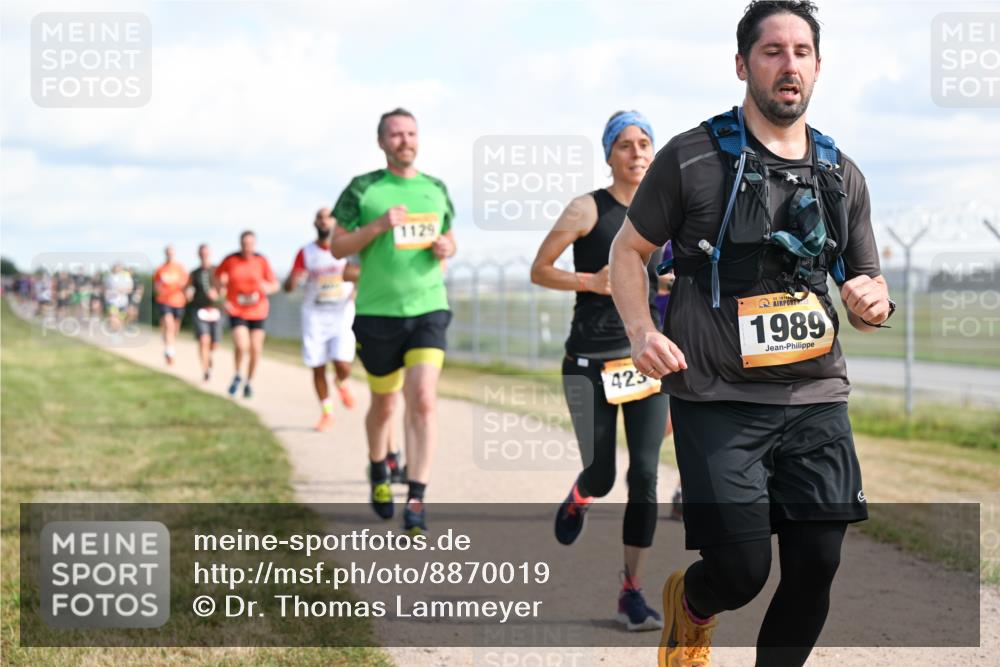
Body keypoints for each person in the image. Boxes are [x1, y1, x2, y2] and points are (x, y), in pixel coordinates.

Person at [609, 3, 895, 665]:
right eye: (772, 50)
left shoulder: (840, 173)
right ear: (742, 64)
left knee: (817, 560)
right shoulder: (690, 157)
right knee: (741, 569)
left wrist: (871, 299)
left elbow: (869, 287)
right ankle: (693, 603)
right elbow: (629, 252)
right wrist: (639, 330)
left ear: (818, 67)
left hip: (815, 394)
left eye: (801, 51)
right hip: (717, 397)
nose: (788, 63)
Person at [530, 111, 667, 632]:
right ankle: (581, 494)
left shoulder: (666, 212)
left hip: (645, 360)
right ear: (609, 154)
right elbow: (539, 269)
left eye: (644, 143)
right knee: (604, 474)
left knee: (647, 475)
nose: (636, 153)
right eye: (625, 145)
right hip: (589, 361)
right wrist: (590, 281)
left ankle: (631, 590)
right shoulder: (586, 208)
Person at [331, 107, 456, 535]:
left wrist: (445, 247)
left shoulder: (436, 188)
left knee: (422, 398)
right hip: (377, 313)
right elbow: (336, 245)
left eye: (411, 133)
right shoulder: (363, 189)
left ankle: (417, 496)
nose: (405, 140)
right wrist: (379, 226)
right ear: (382, 142)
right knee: (384, 405)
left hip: (428, 307)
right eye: (396, 135)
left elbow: (451, 235)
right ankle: (377, 467)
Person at [284, 208, 360, 431]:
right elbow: (289, 287)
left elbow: (360, 274)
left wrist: (355, 291)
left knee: (342, 363)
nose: (324, 221)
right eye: (320, 217)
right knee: (317, 365)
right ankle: (327, 413)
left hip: (341, 313)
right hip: (314, 314)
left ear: (335, 222)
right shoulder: (306, 252)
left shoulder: (348, 249)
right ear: (315, 223)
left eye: (328, 217)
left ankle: (342, 381)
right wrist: (293, 280)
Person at [215, 231, 279, 398]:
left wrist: (268, 288)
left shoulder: (261, 260)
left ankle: (249, 382)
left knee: (256, 349)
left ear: (254, 244)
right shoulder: (230, 260)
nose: (247, 247)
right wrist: (222, 297)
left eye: (250, 244)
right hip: (237, 309)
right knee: (242, 345)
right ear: (240, 244)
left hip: (258, 310)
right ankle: (237, 374)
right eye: (244, 244)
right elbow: (217, 278)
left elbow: (274, 284)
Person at [187, 244, 223, 382]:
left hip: (215, 310)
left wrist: (218, 294)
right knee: (203, 340)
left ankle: (208, 356)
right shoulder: (194, 273)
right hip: (199, 309)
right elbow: (189, 287)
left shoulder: (217, 271)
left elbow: (224, 289)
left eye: (206, 253)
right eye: (202, 253)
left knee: (214, 344)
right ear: (198, 254)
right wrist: (188, 292)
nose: (204, 255)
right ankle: (205, 370)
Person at [153, 245, 189, 365]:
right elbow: (156, 284)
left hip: (178, 301)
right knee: (169, 325)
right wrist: (160, 290)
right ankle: (170, 352)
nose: (170, 255)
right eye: (168, 253)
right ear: (165, 254)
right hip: (164, 301)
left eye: (171, 253)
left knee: (175, 329)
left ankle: (169, 342)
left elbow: (186, 284)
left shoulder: (180, 268)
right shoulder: (160, 269)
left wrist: (187, 293)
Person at [103, 263, 134, 333]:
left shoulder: (127, 277)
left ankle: (117, 330)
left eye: (119, 267)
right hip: (112, 301)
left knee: (120, 319)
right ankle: (113, 329)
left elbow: (130, 289)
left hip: (123, 302)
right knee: (113, 316)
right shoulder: (109, 277)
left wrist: (123, 290)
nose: (117, 269)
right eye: (116, 267)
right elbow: (105, 287)